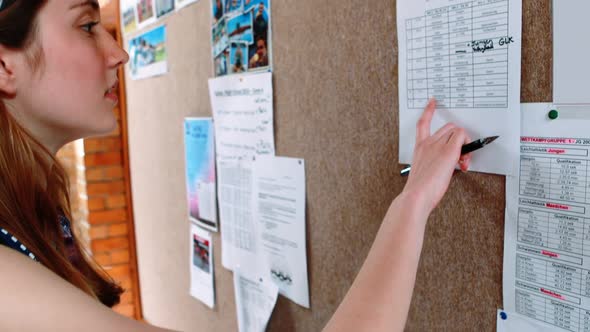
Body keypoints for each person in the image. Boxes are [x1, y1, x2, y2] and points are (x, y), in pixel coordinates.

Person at [0, 0, 470, 330]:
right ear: (4, 67)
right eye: (86, 25)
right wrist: (412, 203)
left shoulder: (38, 221)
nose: (118, 52)